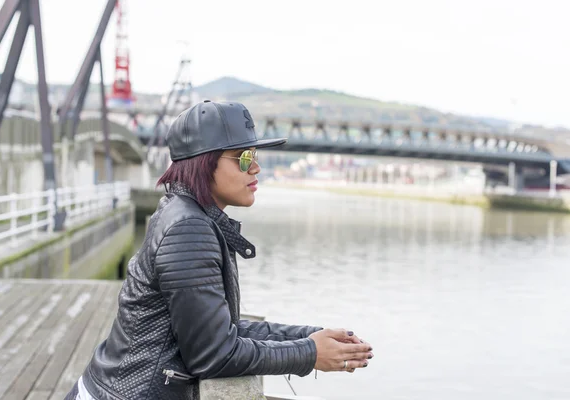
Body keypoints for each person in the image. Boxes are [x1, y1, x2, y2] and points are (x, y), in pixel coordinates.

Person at [65, 100, 374, 400]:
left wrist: (308, 336)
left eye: (254, 155)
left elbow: (220, 328)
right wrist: (310, 353)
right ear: (204, 162)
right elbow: (213, 354)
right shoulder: (188, 229)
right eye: (243, 158)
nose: (256, 168)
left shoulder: (184, 212)